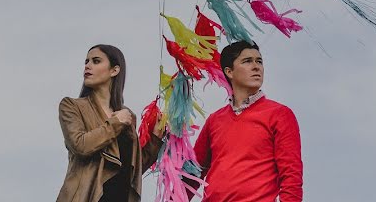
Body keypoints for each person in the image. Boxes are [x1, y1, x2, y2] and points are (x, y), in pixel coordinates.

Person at [188, 41, 303, 201]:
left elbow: (291, 175)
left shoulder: (280, 114)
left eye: (259, 61)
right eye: (247, 61)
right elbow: (192, 174)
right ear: (229, 71)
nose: (257, 67)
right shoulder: (214, 120)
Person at [57, 44, 163, 202]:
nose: (87, 65)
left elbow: (131, 169)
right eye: (86, 61)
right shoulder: (72, 106)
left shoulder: (127, 116)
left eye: (96, 61)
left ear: (114, 70)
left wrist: (155, 138)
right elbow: (80, 145)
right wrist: (115, 123)